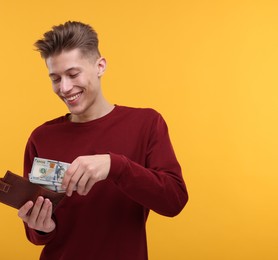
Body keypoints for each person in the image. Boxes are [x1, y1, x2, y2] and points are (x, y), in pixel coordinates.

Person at [18, 21, 188, 260]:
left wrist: (115, 166)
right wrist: (41, 227)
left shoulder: (146, 124)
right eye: (55, 78)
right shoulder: (41, 137)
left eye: (73, 74)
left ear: (100, 66)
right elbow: (35, 234)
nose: (65, 88)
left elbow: (174, 201)